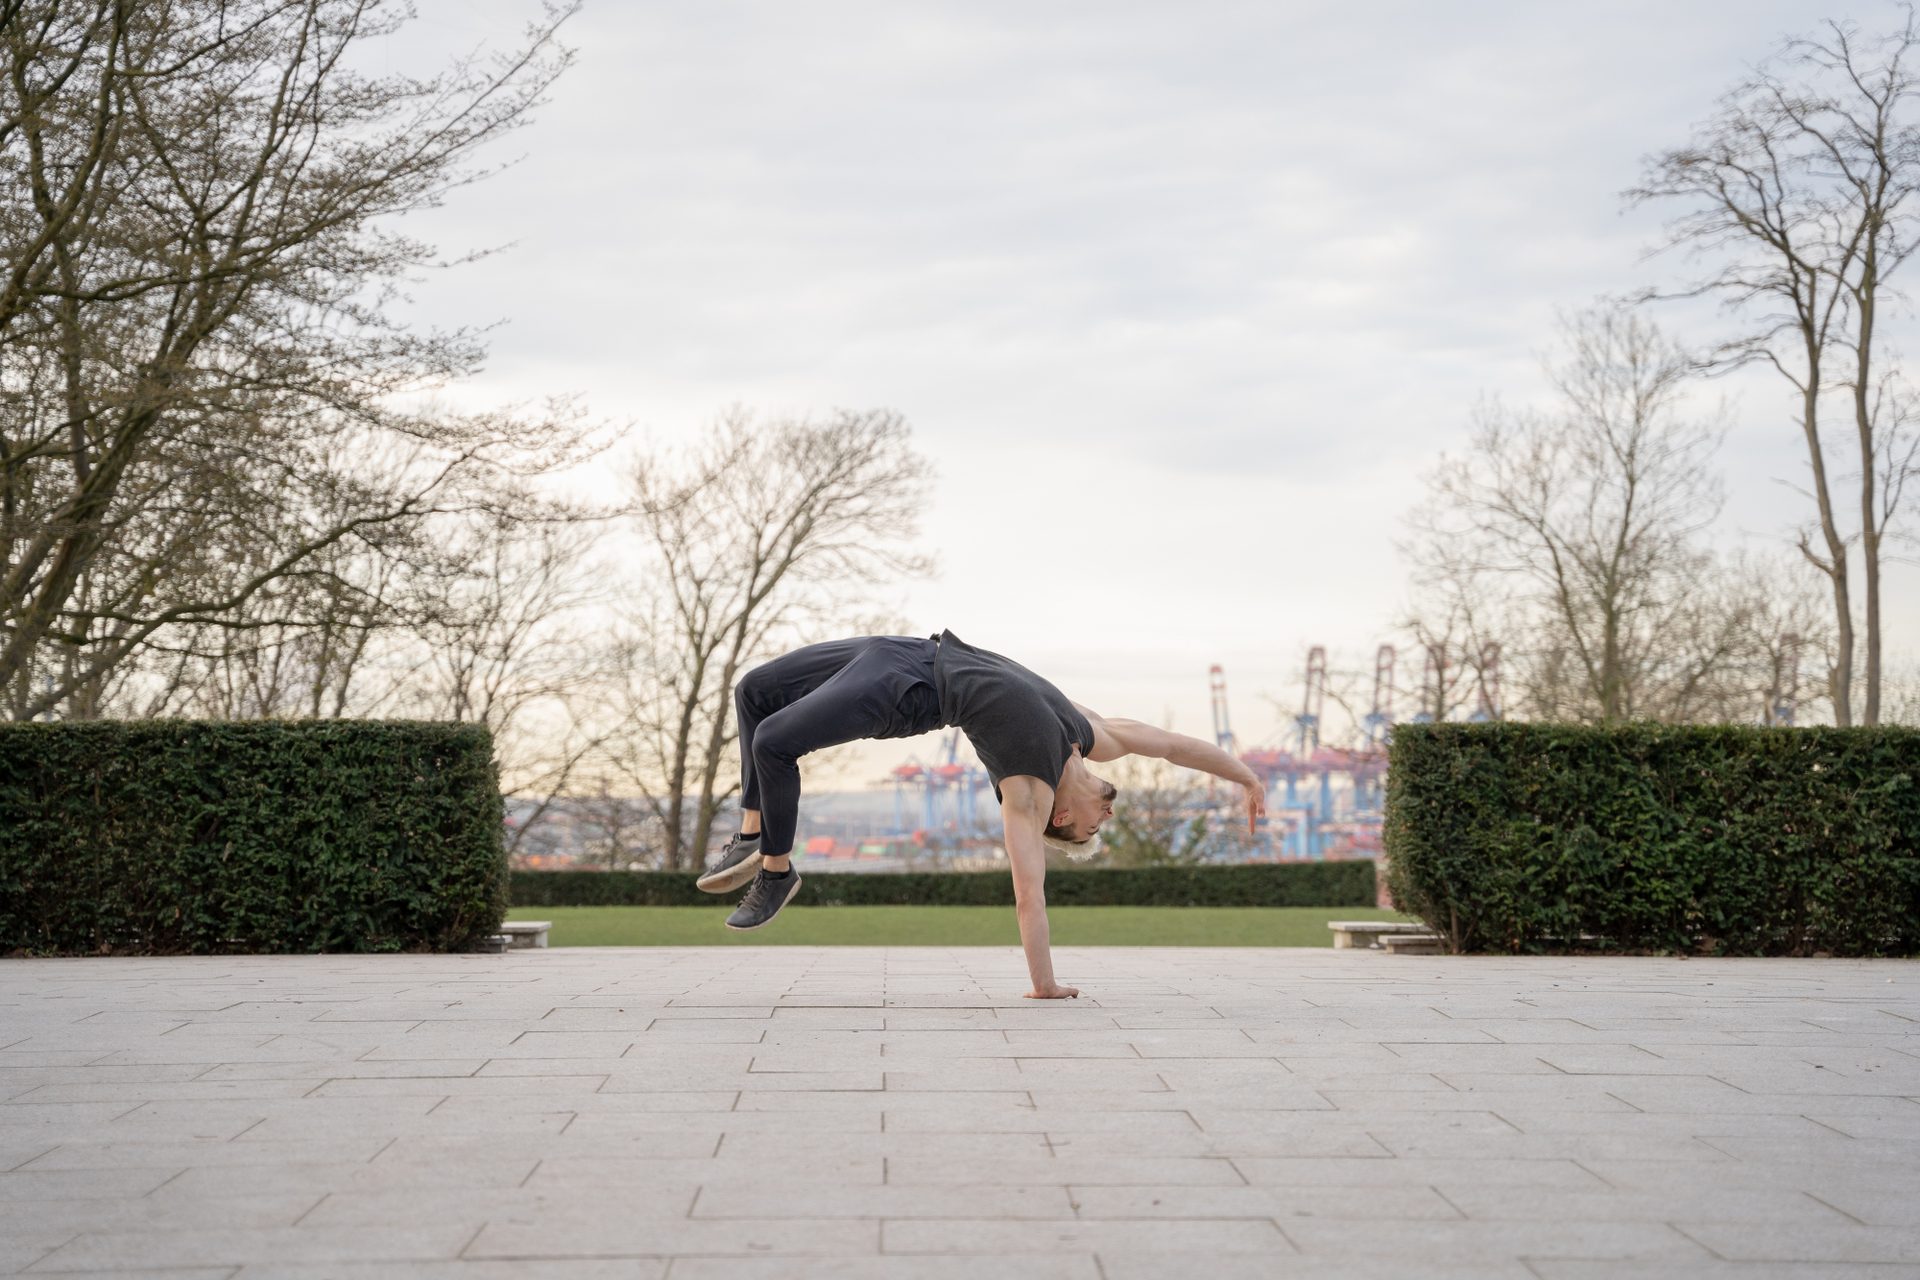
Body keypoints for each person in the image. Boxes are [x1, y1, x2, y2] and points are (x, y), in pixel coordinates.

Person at [696, 629, 1267, 998]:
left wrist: (1043, 984)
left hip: (910, 692)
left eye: (1095, 827)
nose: (1108, 818)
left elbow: (1029, 894)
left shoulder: (1027, 794)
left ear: (1062, 818)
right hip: (907, 649)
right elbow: (1170, 744)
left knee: (773, 741)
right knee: (754, 691)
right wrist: (1242, 775)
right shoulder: (1091, 735)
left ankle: (776, 872)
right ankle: (751, 835)